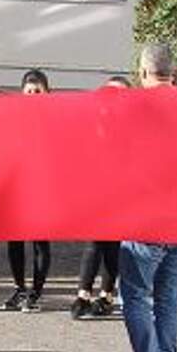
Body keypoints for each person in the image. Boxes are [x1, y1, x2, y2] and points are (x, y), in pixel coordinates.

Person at [118, 44, 177, 352]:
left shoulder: (134, 108)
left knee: (135, 296)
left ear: (143, 71)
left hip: (146, 218)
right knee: (168, 298)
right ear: (173, 72)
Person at [70, 75, 132, 320]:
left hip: (123, 191)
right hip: (98, 188)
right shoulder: (95, 120)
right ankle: (83, 294)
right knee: (95, 241)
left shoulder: (134, 124)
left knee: (113, 244)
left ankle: (106, 294)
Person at [6, 68, 53, 312]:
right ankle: (20, 288)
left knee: (39, 242)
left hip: (43, 186)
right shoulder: (14, 117)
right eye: (29, 92)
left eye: (37, 91)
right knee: (14, 240)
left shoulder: (54, 119)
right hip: (16, 186)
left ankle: (36, 292)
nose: (33, 96)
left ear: (47, 93)